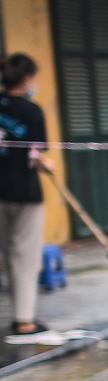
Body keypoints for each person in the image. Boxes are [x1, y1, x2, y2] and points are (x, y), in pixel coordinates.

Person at [0, 54, 49, 338]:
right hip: (25, 193)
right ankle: (25, 321)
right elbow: (35, 155)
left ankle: (20, 317)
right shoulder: (32, 112)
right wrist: (45, 164)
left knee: (8, 254)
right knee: (26, 258)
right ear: (28, 77)